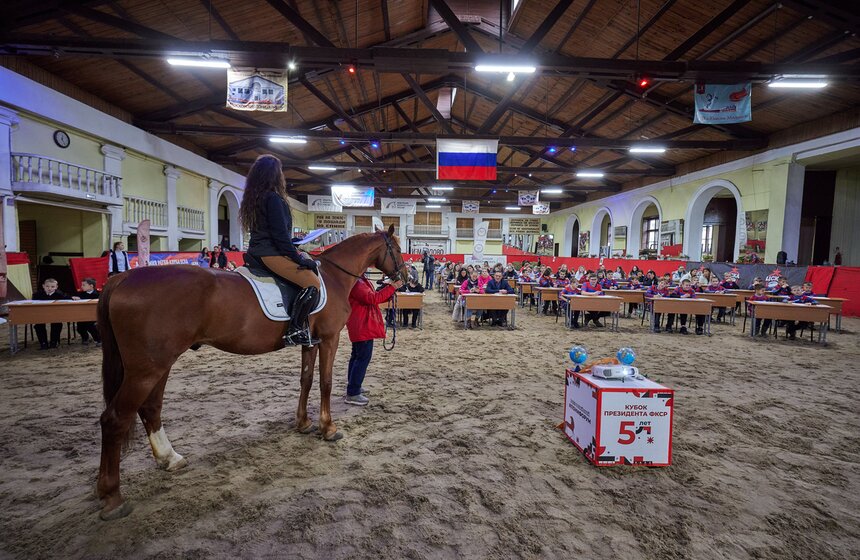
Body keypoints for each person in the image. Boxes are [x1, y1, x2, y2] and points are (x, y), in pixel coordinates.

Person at [241, 154, 320, 346]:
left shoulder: (255, 198)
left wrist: (291, 242)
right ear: (275, 175)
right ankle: (295, 329)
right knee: (312, 282)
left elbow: (272, 232)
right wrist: (300, 259)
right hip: (270, 253)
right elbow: (278, 237)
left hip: (259, 250)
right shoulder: (273, 199)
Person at [345, 274, 403, 405]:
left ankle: (353, 386)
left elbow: (374, 298)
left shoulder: (359, 280)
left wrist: (389, 289)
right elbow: (372, 298)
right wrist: (392, 287)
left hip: (360, 322)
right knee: (362, 358)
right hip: (362, 324)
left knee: (356, 356)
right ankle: (353, 392)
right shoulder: (358, 283)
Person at [33, 278, 67, 349]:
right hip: (41, 315)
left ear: (56, 287)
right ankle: (43, 343)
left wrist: (73, 297)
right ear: (43, 286)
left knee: (57, 323)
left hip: (55, 315)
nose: (50, 288)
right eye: (47, 286)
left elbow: (68, 298)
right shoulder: (37, 294)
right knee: (38, 325)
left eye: (52, 287)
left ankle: (54, 342)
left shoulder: (60, 294)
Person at [71, 277, 101, 346]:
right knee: (80, 327)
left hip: (94, 315)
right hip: (83, 314)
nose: (81, 286)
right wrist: (74, 298)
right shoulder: (80, 294)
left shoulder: (99, 294)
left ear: (91, 286)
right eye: (82, 285)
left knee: (92, 326)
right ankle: (85, 338)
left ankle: (98, 340)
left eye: (84, 285)